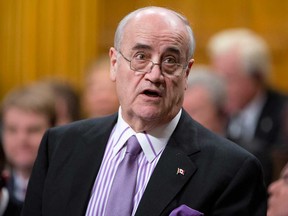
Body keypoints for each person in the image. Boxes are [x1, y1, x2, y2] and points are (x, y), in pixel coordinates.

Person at [22, 6, 267, 216]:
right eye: (141, 56)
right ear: (114, 63)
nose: (154, 75)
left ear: (186, 74)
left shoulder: (232, 169)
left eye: (170, 60)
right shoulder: (60, 145)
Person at [207, 28, 288, 185]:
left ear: (257, 77)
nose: (220, 89)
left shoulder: (283, 113)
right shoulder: (214, 113)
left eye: (228, 79)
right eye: (216, 78)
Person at [1, 82, 56, 213]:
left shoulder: (67, 188)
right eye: (12, 130)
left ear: (54, 131)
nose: (22, 139)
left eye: (32, 130)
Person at [183, 65, 227, 135]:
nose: (185, 119)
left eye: (194, 111)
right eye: (183, 112)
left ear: (220, 113)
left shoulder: (242, 144)